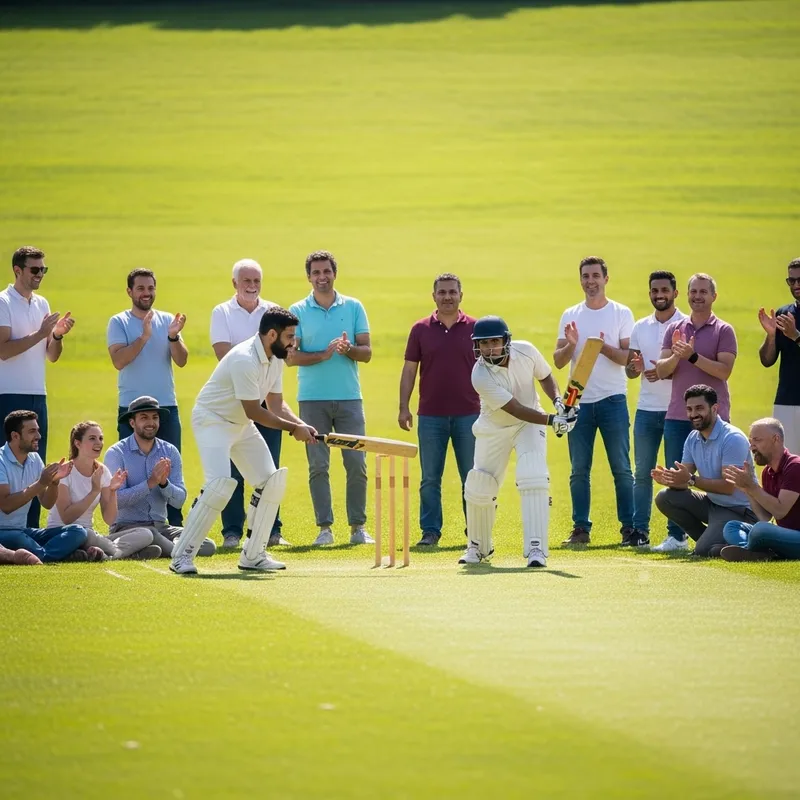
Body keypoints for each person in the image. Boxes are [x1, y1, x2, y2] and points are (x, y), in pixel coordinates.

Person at [169, 308, 318, 575]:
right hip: (212, 420)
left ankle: (253, 555)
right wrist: (293, 429)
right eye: (289, 336)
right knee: (218, 486)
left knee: (270, 481)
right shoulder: (244, 359)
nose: (293, 342)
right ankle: (181, 555)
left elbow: (275, 403)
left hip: (240, 424)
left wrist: (300, 424)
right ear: (272, 334)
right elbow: (254, 410)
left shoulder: (276, 357)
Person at [461, 316, 577, 568]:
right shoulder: (479, 374)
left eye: (495, 341)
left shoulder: (526, 351)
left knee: (533, 475)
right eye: (484, 343)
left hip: (529, 425)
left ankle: (537, 549)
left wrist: (558, 401)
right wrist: (553, 420)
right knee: (480, 484)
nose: (490, 348)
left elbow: (545, 376)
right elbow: (514, 408)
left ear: (506, 340)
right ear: (477, 346)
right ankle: (478, 547)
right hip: (494, 427)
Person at [288, 251, 372, 546]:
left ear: (334, 273)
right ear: (308, 277)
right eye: (316, 272)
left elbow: (367, 352)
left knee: (356, 464)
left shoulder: (353, 307)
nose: (322, 277)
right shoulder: (296, 310)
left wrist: (348, 350)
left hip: (349, 398)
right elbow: (290, 357)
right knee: (318, 466)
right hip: (312, 400)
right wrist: (324, 353)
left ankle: (357, 528)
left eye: (326, 271)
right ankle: (324, 529)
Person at [554, 256, 635, 546]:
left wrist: (602, 349)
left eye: (595, 276)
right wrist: (573, 346)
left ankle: (629, 527)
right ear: (581, 280)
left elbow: (630, 359)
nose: (590, 281)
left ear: (605, 279)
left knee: (622, 468)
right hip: (578, 400)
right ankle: (580, 529)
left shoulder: (621, 313)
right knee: (579, 470)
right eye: (585, 276)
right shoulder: (570, 314)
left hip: (613, 399)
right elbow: (559, 361)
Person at [653, 273, 737, 552]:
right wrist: (678, 354)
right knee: (677, 478)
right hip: (678, 414)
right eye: (693, 291)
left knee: (719, 476)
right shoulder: (675, 328)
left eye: (703, 292)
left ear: (714, 296)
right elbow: (662, 371)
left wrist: (693, 356)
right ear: (686, 295)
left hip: (715, 417)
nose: (697, 296)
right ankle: (676, 538)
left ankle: (725, 526)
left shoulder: (724, 330)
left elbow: (724, 371)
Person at [210, 258, 288, 549]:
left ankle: (270, 531)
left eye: (256, 281)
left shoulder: (272, 311)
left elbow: (281, 351)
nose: (252, 286)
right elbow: (224, 355)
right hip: (234, 403)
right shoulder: (222, 312)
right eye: (246, 281)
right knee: (233, 469)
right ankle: (231, 531)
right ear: (235, 284)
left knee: (269, 467)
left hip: (265, 398)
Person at [399, 273, 479, 546]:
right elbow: (410, 370)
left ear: (461, 295)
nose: (447, 297)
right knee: (430, 479)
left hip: (470, 414)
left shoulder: (476, 328)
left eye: (452, 292)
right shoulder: (420, 329)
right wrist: (403, 407)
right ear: (433, 296)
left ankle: (477, 530)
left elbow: (490, 371)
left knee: (472, 476)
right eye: (442, 292)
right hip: (430, 415)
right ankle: (430, 532)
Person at [0, 245, 76, 526]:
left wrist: (55, 336)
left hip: (37, 395)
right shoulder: (3, 302)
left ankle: (30, 527)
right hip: (7, 395)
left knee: (35, 461)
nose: (40, 274)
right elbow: (4, 350)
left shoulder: (42, 304)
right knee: (7, 464)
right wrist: (41, 332)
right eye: (35, 269)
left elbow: (51, 356)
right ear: (17, 270)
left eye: (43, 269)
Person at [107, 268, 188, 526]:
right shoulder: (118, 322)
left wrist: (173, 336)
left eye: (150, 288)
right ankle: (131, 525)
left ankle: (174, 528)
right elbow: (119, 361)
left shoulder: (167, 320)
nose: (146, 293)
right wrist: (144, 337)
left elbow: (182, 360)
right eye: (140, 288)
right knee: (131, 472)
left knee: (169, 469)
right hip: (132, 410)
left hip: (165, 407)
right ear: (129, 291)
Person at [651, 385, 755, 557]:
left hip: (739, 511)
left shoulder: (732, 438)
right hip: (713, 504)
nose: (693, 414)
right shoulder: (693, 438)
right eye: (689, 409)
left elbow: (729, 488)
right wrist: (669, 479)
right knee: (665, 497)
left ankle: (721, 541)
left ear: (715, 409)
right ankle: (712, 540)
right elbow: (684, 476)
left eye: (699, 408)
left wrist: (691, 479)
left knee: (703, 550)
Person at [105, 397, 213, 560]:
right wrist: (150, 483)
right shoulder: (116, 453)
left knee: (208, 545)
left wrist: (164, 484)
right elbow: (117, 500)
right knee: (149, 534)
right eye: (144, 418)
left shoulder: (170, 451)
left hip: (162, 527)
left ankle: (150, 550)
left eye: (155, 417)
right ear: (132, 423)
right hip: (127, 528)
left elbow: (179, 501)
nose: (151, 423)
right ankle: (173, 549)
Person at [625, 271, 687, 547]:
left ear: (675, 293)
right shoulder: (640, 326)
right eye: (654, 290)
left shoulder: (686, 324)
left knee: (674, 473)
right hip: (646, 409)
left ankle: (677, 533)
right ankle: (639, 532)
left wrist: (659, 372)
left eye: (664, 290)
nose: (659, 295)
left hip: (677, 410)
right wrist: (635, 368)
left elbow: (687, 368)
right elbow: (630, 369)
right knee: (642, 472)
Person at [47, 421, 161, 560]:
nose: (99, 443)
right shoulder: (65, 472)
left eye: (100, 438)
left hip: (91, 536)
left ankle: (107, 554)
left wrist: (113, 491)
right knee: (86, 534)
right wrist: (94, 491)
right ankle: (123, 553)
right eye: (92, 438)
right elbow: (66, 518)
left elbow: (109, 519)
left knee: (146, 534)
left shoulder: (102, 471)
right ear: (78, 443)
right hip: (65, 534)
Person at [0, 410, 90, 562]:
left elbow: (47, 503)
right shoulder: (1, 461)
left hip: (23, 531)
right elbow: (6, 505)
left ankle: (42, 555)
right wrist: (42, 483)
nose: (39, 436)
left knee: (78, 531)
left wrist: (54, 482)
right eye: (32, 431)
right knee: (20, 539)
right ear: (15, 436)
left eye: (38, 430)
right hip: (3, 532)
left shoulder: (34, 459)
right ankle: (56, 555)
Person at [720, 418, 800, 561]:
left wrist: (752, 486)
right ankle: (757, 552)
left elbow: (780, 512)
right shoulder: (767, 472)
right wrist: (747, 489)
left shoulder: (795, 467)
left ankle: (750, 550)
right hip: (784, 535)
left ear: (776, 439)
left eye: (757, 440)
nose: (752, 447)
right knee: (731, 526)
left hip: (796, 536)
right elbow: (765, 516)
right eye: (751, 442)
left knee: (761, 530)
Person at [758, 258, 800, 454]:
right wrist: (772, 336)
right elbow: (767, 360)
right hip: (786, 400)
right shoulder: (784, 313)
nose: (796, 285)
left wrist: (796, 336)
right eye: (791, 281)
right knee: (786, 462)